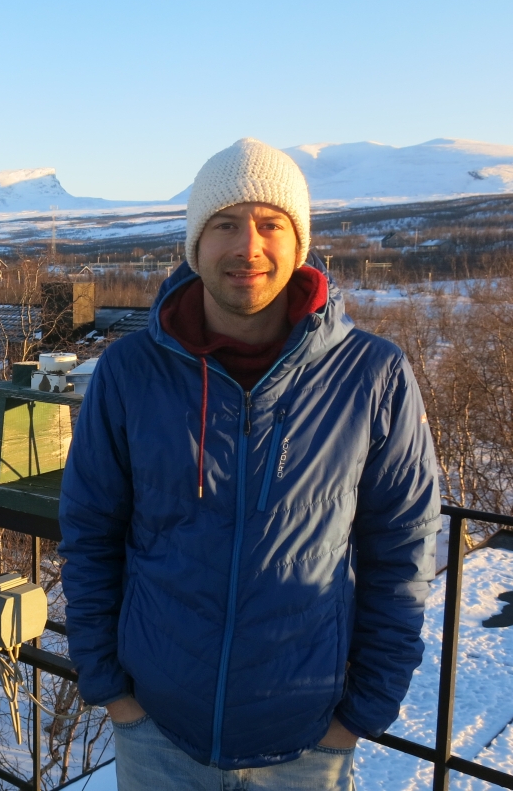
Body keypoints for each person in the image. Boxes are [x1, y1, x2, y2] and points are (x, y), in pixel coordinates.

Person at [58, 138, 439, 790]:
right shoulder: (131, 372)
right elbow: (90, 532)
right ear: (195, 243)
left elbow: (402, 550)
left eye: (271, 225)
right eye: (226, 225)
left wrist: (361, 713)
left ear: (300, 242)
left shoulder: (371, 376)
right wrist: (111, 688)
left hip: (307, 738)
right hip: (159, 732)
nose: (249, 247)